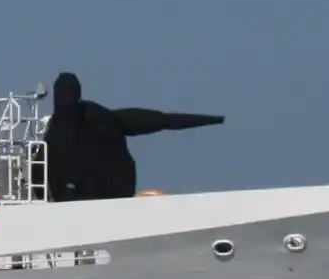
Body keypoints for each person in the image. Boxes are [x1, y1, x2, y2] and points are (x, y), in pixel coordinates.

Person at [43, 71, 224, 201]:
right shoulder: (105, 117)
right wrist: (213, 120)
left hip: (81, 202)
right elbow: (164, 120)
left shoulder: (56, 134)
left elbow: (163, 120)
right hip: (115, 198)